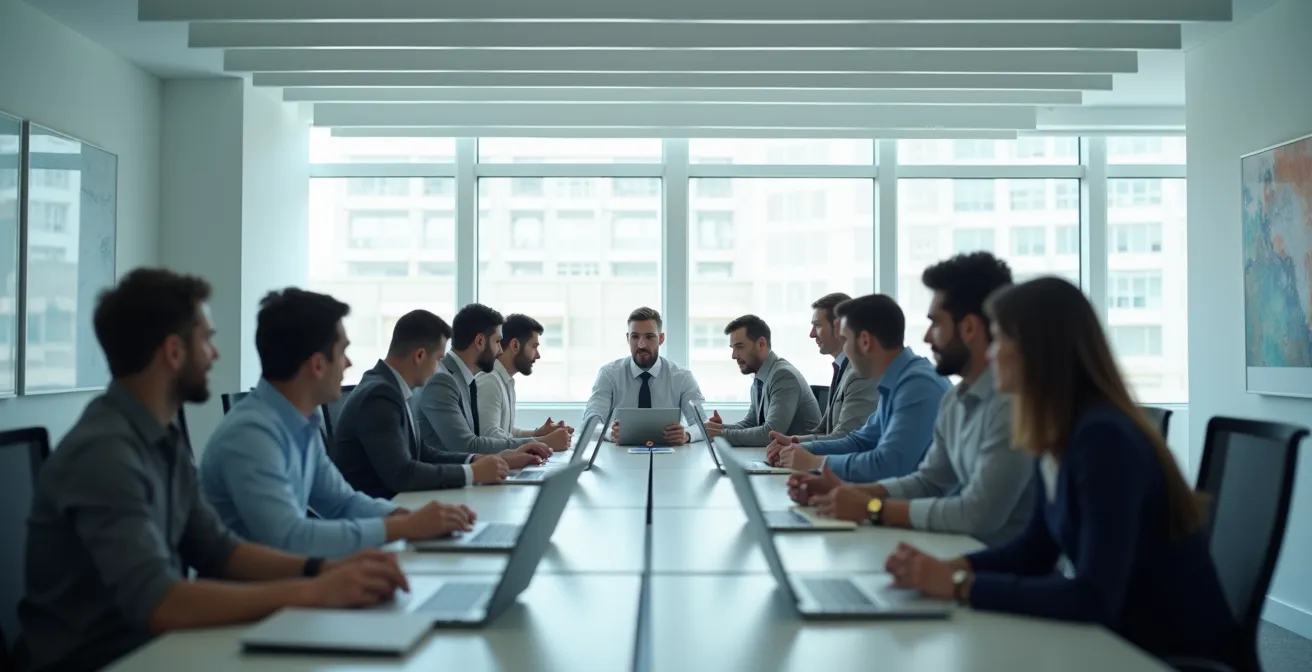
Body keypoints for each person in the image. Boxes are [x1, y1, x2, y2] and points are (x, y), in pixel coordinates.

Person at [16, 269, 410, 672]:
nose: (215, 354)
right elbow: (159, 602)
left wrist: (325, 570)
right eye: (205, 339)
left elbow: (218, 551)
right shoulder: (104, 453)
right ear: (173, 352)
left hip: (154, 649)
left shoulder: (161, 440)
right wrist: (313, 591)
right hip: (101, 660)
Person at [883, 277, 1237, 663]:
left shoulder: (1103, 439)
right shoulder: (1058, 431)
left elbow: (1093, 596)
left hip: (1160, 653)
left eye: (1000, 339)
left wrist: (959, 585)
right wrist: (948, 568)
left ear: (1038, 351)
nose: (990, 354)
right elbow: (1035, 549)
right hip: (1117, 640)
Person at [201, 289, 476, 558]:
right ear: (318, 365)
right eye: (342, 351)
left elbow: (342, 502)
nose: (348, 363)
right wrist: (402, 527)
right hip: (260, 594)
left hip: (289, 582)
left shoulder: (302, 422)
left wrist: (408, 517)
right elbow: (289, 538)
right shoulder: (251, 435)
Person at [789, 253, 1035, 546]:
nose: (928, 337)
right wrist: (846, 493)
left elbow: (978, 514)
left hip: (990, 568)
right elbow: (929, 481)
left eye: (936, 324)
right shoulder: (956, 399)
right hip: (956, 551)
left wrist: (871, 508)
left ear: (969, 328)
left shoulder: (1009, 405)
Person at [331, 310, 528, 499]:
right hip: (384, 509)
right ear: (420, 356)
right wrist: (472, 473)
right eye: (438, 359)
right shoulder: (379, 394)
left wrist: (476, 460)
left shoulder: (391, 387)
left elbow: (422, 452)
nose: (437, 369)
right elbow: (403, 473)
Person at [769, 294, 949, 482]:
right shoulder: (897, 381)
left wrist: (816, 463)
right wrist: (800, 447)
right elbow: (860, 441)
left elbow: (888, 465)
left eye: (845, 340)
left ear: (865, 341)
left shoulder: (916, 385)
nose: (843, 350)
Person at [414, 303, 555, 458]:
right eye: (497, 342)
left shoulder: (463, 378)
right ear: (480, 341)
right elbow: (466, 446)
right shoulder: (443, 381)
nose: (500, 350)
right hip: (448, 479)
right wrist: (540, 442)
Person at [582, 307, 706, 445]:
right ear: (628, 338)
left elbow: (703, 424)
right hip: (620, 456)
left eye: (649, 336)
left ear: (661, 338)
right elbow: (590, 422)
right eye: (635, 336)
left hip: (670, 456)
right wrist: (610, 433)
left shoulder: (682, 377)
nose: (641, 344)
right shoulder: (609, 375)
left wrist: (687, 434)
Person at [703, 315, 822, 446]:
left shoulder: (783, 376)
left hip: (800, 462)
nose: (734, 355)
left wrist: (723, 434)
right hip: (780, 457)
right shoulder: (760, 378)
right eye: (733, 348)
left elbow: (770, 434)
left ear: (761, 344)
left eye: (740, 347)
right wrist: (719, 429)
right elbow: (751, 423)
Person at [474, 313, 573, 447]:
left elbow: (506, 432)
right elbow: (490, 437)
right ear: (515, 345)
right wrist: (544, 442)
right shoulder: (489, 381)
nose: (538, 355)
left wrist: (538, 434)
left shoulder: (505, 381)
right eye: (534, 346)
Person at [795, 292, 879, 442]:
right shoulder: (843, 369)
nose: (812, 334)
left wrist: (797, 448)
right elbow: (825, 431)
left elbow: (845, 437)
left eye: (818, 326)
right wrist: (793, 442)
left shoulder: (860, 373)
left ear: (839, 327)